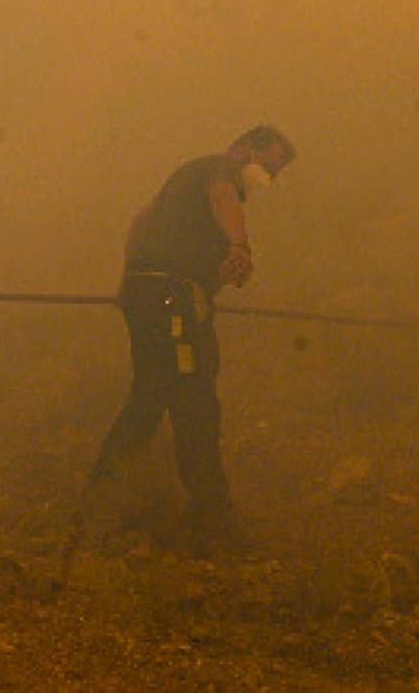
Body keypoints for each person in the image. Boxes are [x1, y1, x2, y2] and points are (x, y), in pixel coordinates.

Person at [87, 125, 297, 550]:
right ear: (245, 149)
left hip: (148, 294)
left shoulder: (187, 173)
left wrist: (129, 281)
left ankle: (99, 495)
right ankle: (213, 515)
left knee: (149, 394)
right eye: (266, 166)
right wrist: (240, 246)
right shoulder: (223, 169)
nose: (266, 179)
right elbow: (223, 196)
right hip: (175, 297)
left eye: (273, 174)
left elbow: (140, 220)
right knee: (194, 398)